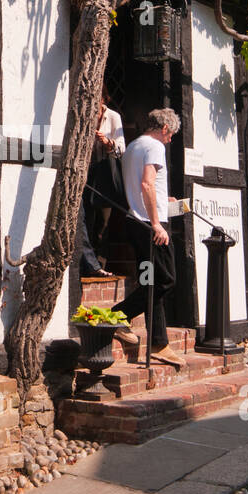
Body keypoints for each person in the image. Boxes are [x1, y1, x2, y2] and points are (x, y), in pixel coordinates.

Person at [111, 108, 183, 368]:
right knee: (166, 280)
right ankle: (117, 316)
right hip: (149, 226)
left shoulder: (133, 146)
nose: (171, 139)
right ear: (164, 129)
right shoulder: (155, 146)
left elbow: (138, 186)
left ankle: (159, 343)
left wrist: (164, 201)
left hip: (134, 221)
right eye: (171, 134)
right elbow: (146, 184)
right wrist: (156, 224)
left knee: (150, 283)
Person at [79, 92, 125, 278]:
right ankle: (89, 266)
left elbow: (122, 148)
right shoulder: (84, 113)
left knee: (103, 223)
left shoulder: (113, 117)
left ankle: (101, 263)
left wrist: (108, 142)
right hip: (86, 173)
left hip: (104, 173)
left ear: (103, 99)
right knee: (86, 219)